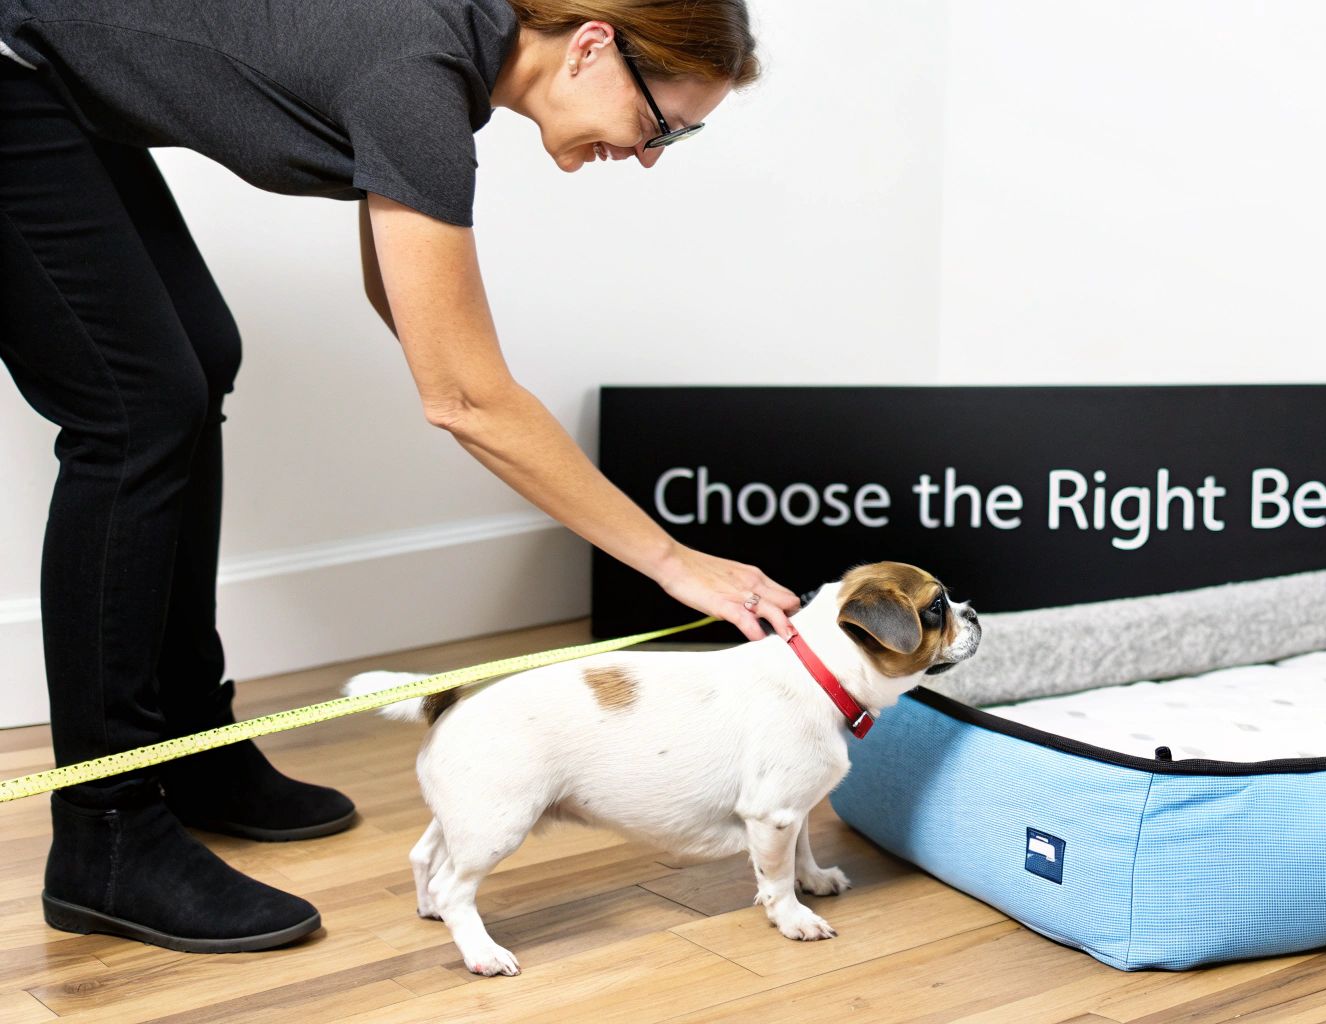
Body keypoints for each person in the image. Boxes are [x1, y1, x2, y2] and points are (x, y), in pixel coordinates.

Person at [0, 0, 797, 954]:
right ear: (591, 45)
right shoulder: (417, 79)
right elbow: (462, 393)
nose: (654, 154)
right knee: (136, 408)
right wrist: (671, 560)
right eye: (661, 123)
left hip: (42, 75)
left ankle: (190, 749)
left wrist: (471, 383)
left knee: (194, 361)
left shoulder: (444, 63)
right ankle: (109, 833)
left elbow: (400, 295)